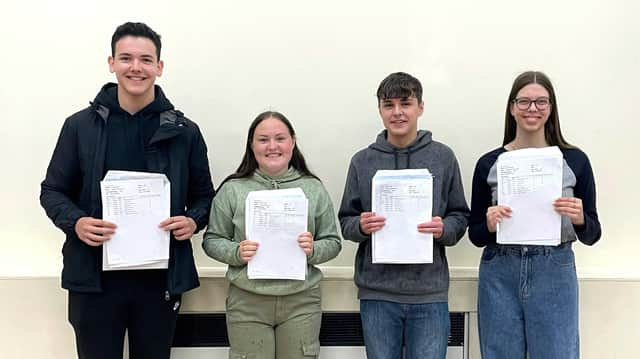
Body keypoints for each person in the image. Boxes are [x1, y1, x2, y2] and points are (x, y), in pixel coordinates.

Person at [40, 22, 215, 359]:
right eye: (126, 58)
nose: (136, 67)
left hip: (159, 281)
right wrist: (76, 222)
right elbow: (52, 191)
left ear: (159, 67)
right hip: (93, 279)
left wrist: (193, 221)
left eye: (146, 60)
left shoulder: (185, 132)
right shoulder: (79, 126)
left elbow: (204, 196)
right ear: (111, 63)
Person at [468, 71, 602, 359]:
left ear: (551, 108)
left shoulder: (575, 160)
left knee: (557, 353)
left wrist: (579, 217)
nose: (532, 109)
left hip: (554, 267)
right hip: (499, 268)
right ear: (512, 107)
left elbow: (593, 233)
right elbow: (475, 235)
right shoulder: (489, 163)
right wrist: (489, 223)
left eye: (541, 102)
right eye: (525, 101)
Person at [338, 72, 470, 359]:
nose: (397, 112)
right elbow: (346, 221)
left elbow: (460, 215)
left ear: (420, 107)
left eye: (405, 103)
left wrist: (444, 228)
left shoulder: (443, 157)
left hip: (429, 293)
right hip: (377, 294)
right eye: (389, 105)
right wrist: (360, 225)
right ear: (380, 110)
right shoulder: (362, 161)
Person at [202, 111, 341, 359]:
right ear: (251, 145)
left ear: (293, 141)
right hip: (247, 302)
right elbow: (211, 240)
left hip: (301, 301)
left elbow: (333, 242)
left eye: (280, 138)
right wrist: (236, 252)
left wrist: (314, 250)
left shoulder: (313, 188)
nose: (272, 146)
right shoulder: (232, 189)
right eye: (263, 139)